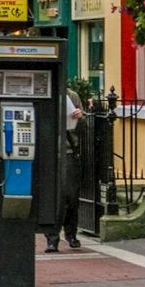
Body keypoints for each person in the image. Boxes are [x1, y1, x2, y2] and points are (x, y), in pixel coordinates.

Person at [46, 89, 86, 253]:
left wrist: (80, 117)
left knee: (70, 196)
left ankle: (71, 234)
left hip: (68, 151)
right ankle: (52, 238)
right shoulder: (46, 92)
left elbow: (83, 125)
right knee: (53, 198)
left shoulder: (72, 95)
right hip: (48, 151)